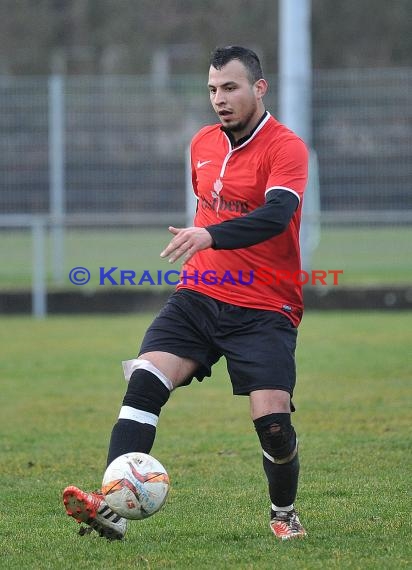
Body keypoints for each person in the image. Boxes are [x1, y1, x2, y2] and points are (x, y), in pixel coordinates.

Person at [63, 45, 308, 541]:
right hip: (199, 292)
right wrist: (204, 242)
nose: (220, 98)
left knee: (274, 429)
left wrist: (210, 234)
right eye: (213, 89)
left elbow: (278, 215)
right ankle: (110, 503)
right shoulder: (200, 143)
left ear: (259, 88)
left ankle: (283, 513)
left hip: (265, 306)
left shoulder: (286, 147)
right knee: (145, 381)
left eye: (231, 88)